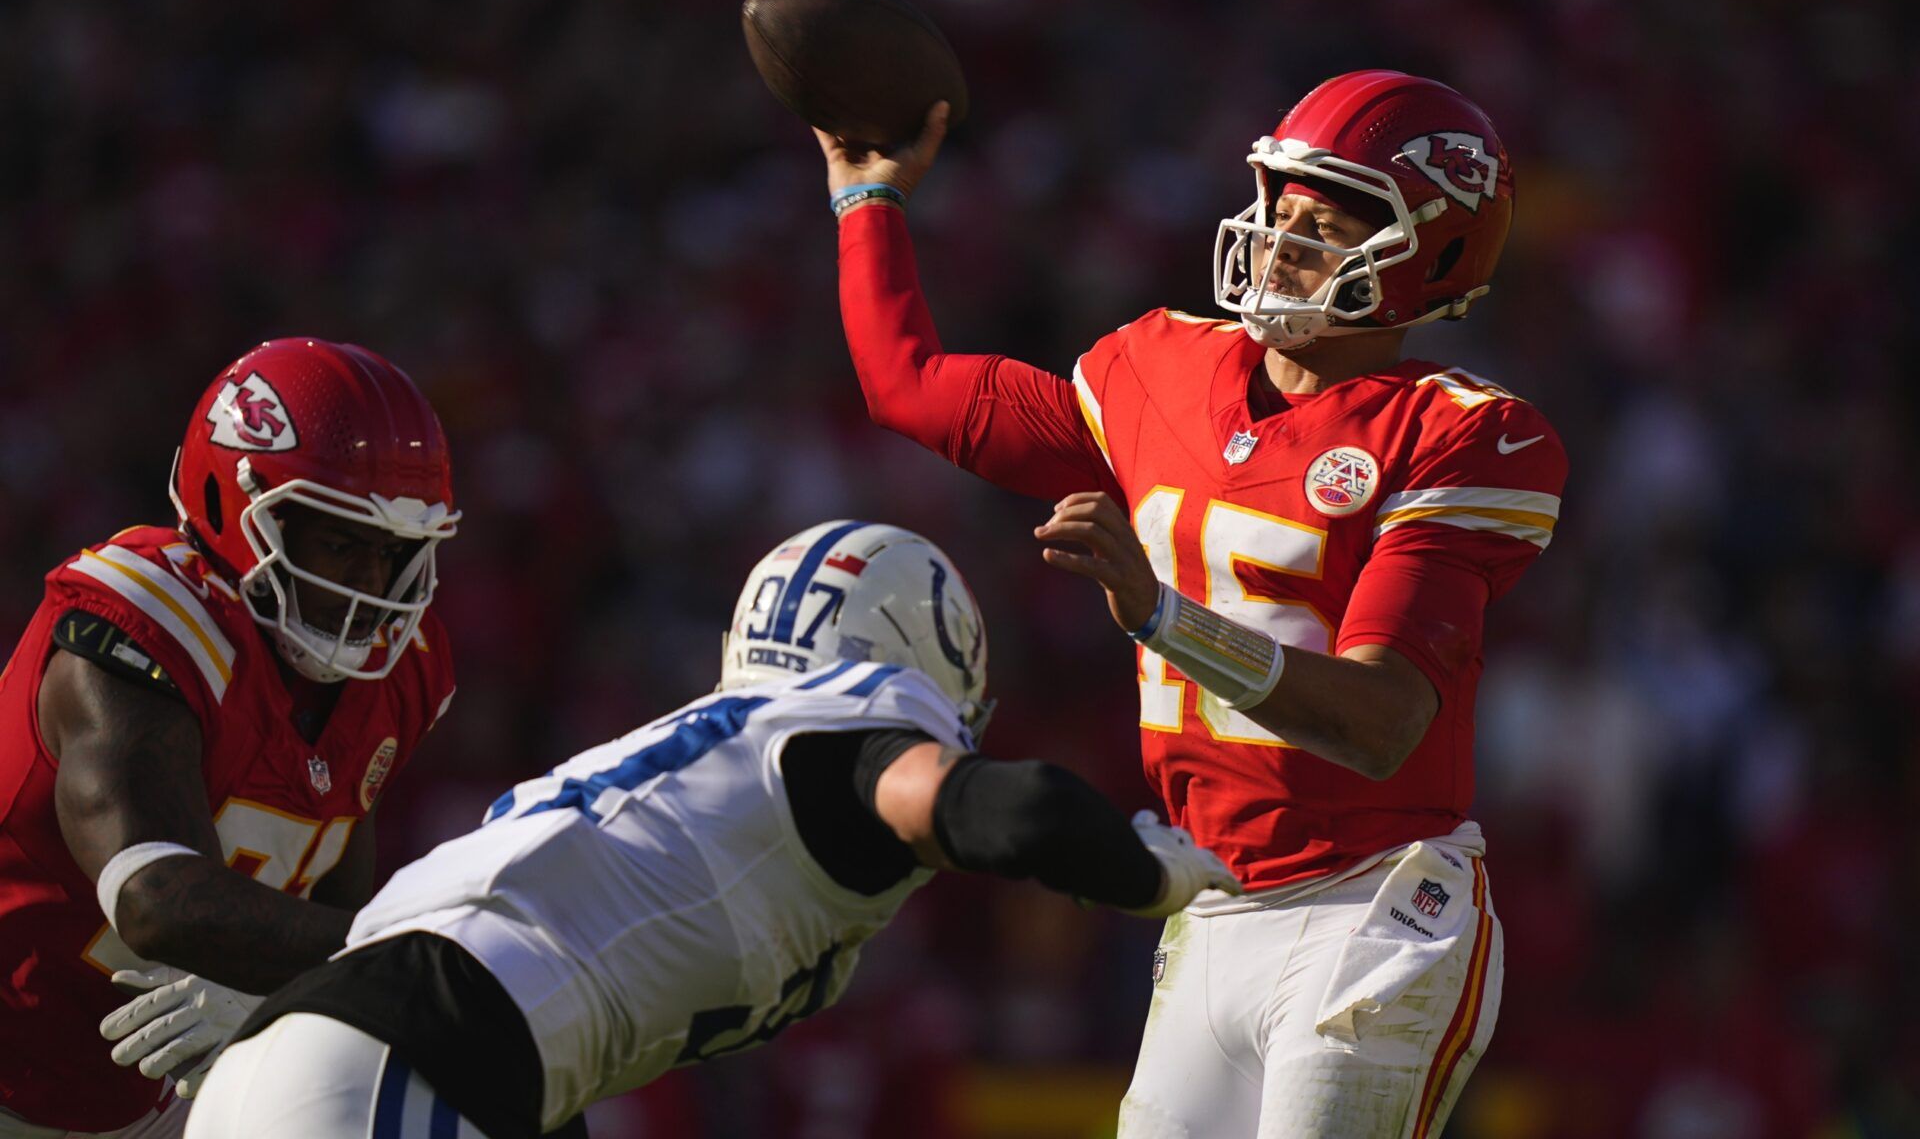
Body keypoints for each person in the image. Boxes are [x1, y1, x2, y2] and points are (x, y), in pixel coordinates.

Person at [813, 70, 1567, 1137]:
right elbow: (910, 382)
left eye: (1327, 221)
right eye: (1279, 210)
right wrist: (867, 197)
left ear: (1429, 259)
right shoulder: (1158, 369)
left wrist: (1161, 614)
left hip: (1375, 903)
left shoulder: (1459, 434)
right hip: (1210, 903)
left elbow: (1379, 721)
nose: (1280, 240)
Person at [183, 520, 1241, 1139]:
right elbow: (1016, 811)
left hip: (330, 1060)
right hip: (402, 1068)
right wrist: (1150, 872)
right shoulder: (849, 728)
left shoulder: (694, 765)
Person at [0, 338, 461, 1138]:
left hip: (143, 1095)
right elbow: (155, 899)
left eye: (393, 554)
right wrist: (417, 957)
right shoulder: (137, 623)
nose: (369, 588)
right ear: (232, 506)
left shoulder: (398, 673)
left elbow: (329, 899)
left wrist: (296, 992)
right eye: (341, 543)